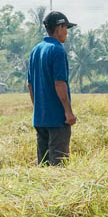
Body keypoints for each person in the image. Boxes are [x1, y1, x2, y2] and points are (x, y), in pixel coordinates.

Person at [27, 11, 78, 166]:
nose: (67, 32)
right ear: (59, 27)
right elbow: (60, 83)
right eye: (66, 28)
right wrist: (68, 112)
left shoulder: (36, 50)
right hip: (57, 118)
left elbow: (30, 84)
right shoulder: (57, 50)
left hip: (40, 118)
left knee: (43, 165)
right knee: (59, 165)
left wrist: (38, 108)